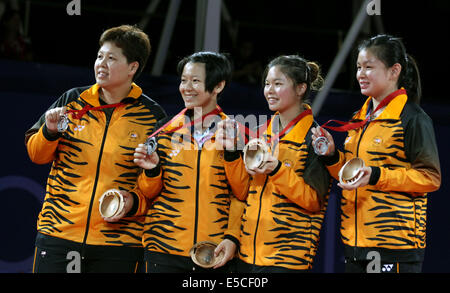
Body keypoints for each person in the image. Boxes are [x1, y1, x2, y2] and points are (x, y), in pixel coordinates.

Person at [25, 25, 167, 273]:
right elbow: (36, 155)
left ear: (133, 67)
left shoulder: (152, 116)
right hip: (59, 233)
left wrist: (133, 200)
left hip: (118, 243)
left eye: (112, 58)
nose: (101, 63)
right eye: (100, 56)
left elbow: (156, 185)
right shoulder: (72, 101)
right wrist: (49, 131)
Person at [311, 34, 441, 273]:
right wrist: (331, 156)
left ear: (394, 71)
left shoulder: (412, 118)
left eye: (369, 67)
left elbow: (430, 178)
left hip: (395, 246)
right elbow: (352, 174)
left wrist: (376, 175)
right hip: (355, 245)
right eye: (359, 67)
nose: (360, 74)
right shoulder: (360, 118)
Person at [128, 51, 246, 273]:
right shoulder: (164, 131)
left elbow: (242, 193)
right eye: (183, 80)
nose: (186, 87)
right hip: (163, 248)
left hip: (213, 251)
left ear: (218, 86)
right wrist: (152, 170)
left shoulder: (234, 133)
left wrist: (232, 237)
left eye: (195, 81)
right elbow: (147, 192)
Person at [217, 55, 331, 272]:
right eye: (267, 84)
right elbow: (243, 192)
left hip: (286, 259)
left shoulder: (315, 138)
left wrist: (277, 170)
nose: (269, 90)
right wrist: (232, 152)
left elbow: (314, 201)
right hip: (247, 255)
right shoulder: (263, 134)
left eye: (278, 84)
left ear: (300, 89)